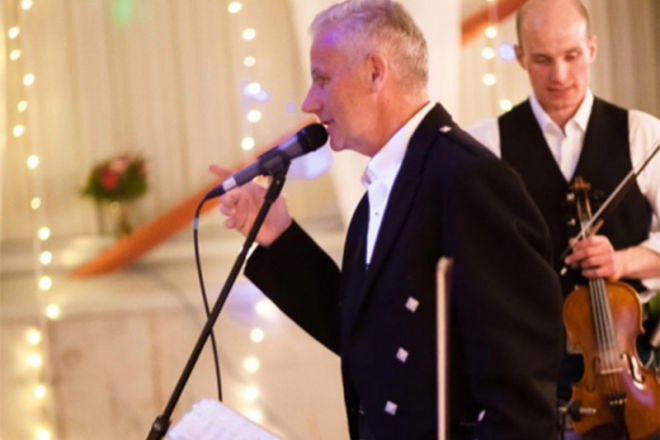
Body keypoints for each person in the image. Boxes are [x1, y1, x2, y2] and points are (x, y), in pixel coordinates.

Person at [211, 1, 563, 439]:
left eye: (322, 78)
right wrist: (278, 236)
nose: (309, 101)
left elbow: (520, 394)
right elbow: (369, 336)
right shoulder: (382, 188)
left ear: (375, 72)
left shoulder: (469, 180)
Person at [467, 0, 660, 438]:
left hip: (631, 363)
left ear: (591, 48)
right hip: (530, 367)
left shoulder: (642, 133)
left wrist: (622, 261)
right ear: (520, 57)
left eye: (572, 56)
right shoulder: (486, 144)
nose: (560, 74)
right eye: (542, 59)